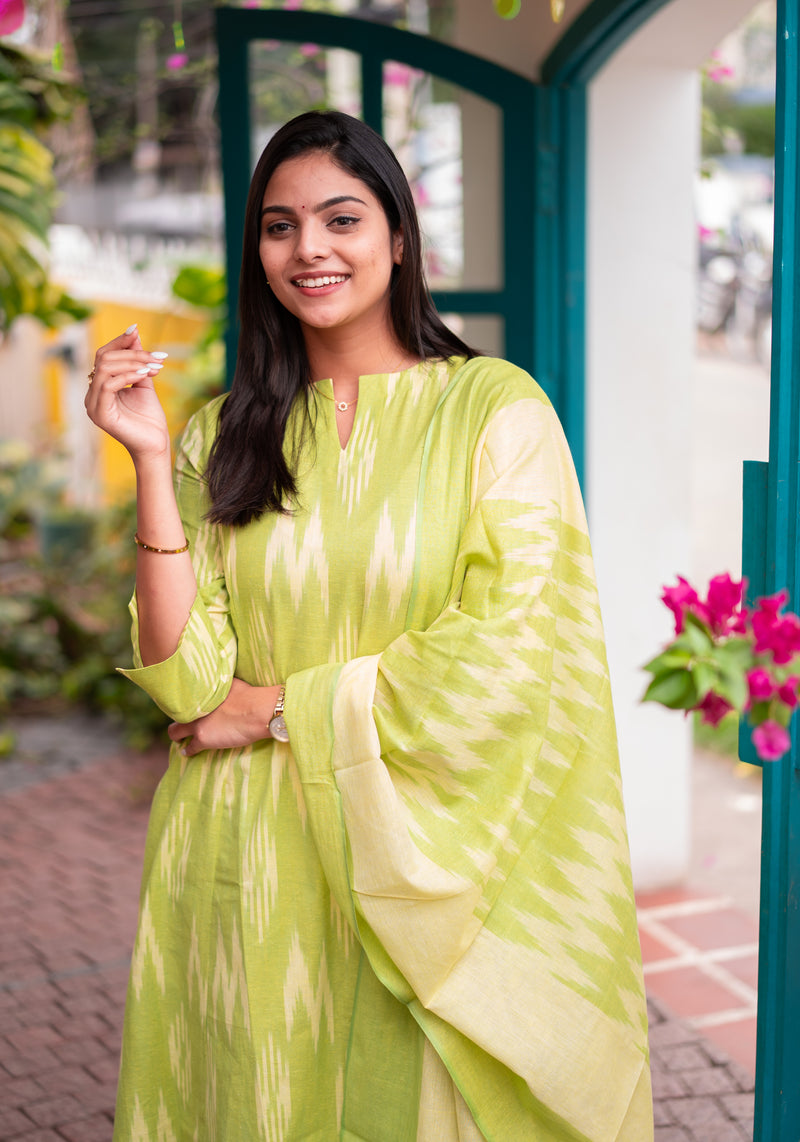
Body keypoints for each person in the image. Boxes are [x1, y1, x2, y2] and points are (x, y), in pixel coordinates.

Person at [85, 110, 653, 1142]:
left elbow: (513, 647)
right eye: (278, 226)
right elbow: (184, 684)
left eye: (341, 218)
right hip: (244, 861)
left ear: (398, 235)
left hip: (419, 853)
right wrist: (146, 463)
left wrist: (275, 712)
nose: (309, 248)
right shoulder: (221, 434)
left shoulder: (493, 413)